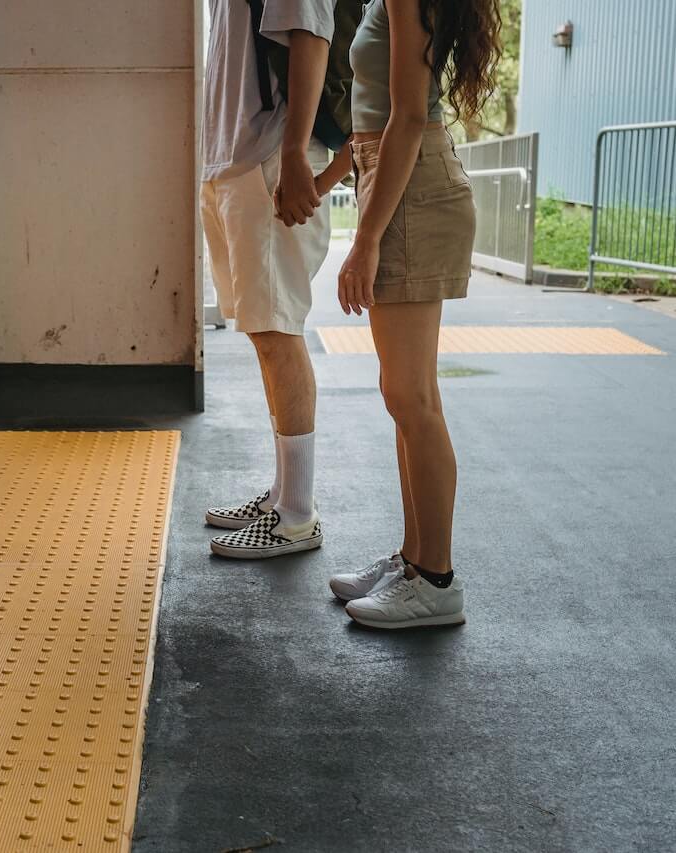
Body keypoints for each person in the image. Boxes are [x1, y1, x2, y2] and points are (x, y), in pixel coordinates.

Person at [321, 0, 502, 628]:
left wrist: (364, 239)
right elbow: (378, 116)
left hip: (412, 191)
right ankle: (413, 560)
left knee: (412, 396)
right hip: (398, 178)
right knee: (403, 394)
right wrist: (331, 176)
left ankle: (436, 581)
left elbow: (406, 114)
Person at [203, 0, 337, 560]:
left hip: (269, 157)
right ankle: (283, 495)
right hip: (231, 163)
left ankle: (297, 518)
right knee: (264, 332)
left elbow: (311, 35)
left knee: (279, 330)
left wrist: (292, 155)